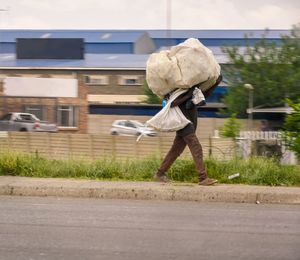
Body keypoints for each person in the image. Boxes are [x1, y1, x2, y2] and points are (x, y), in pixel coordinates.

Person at [154, 75, 223, 185]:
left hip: (187, 125)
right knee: (196, 148)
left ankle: (160, 174)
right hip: (184, 124)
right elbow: (174, 103)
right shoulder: (179, 92)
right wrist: (189, 96)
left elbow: (205, 94)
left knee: (175, 151)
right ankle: (202, 178)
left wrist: (216, 82)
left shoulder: (194, 91)